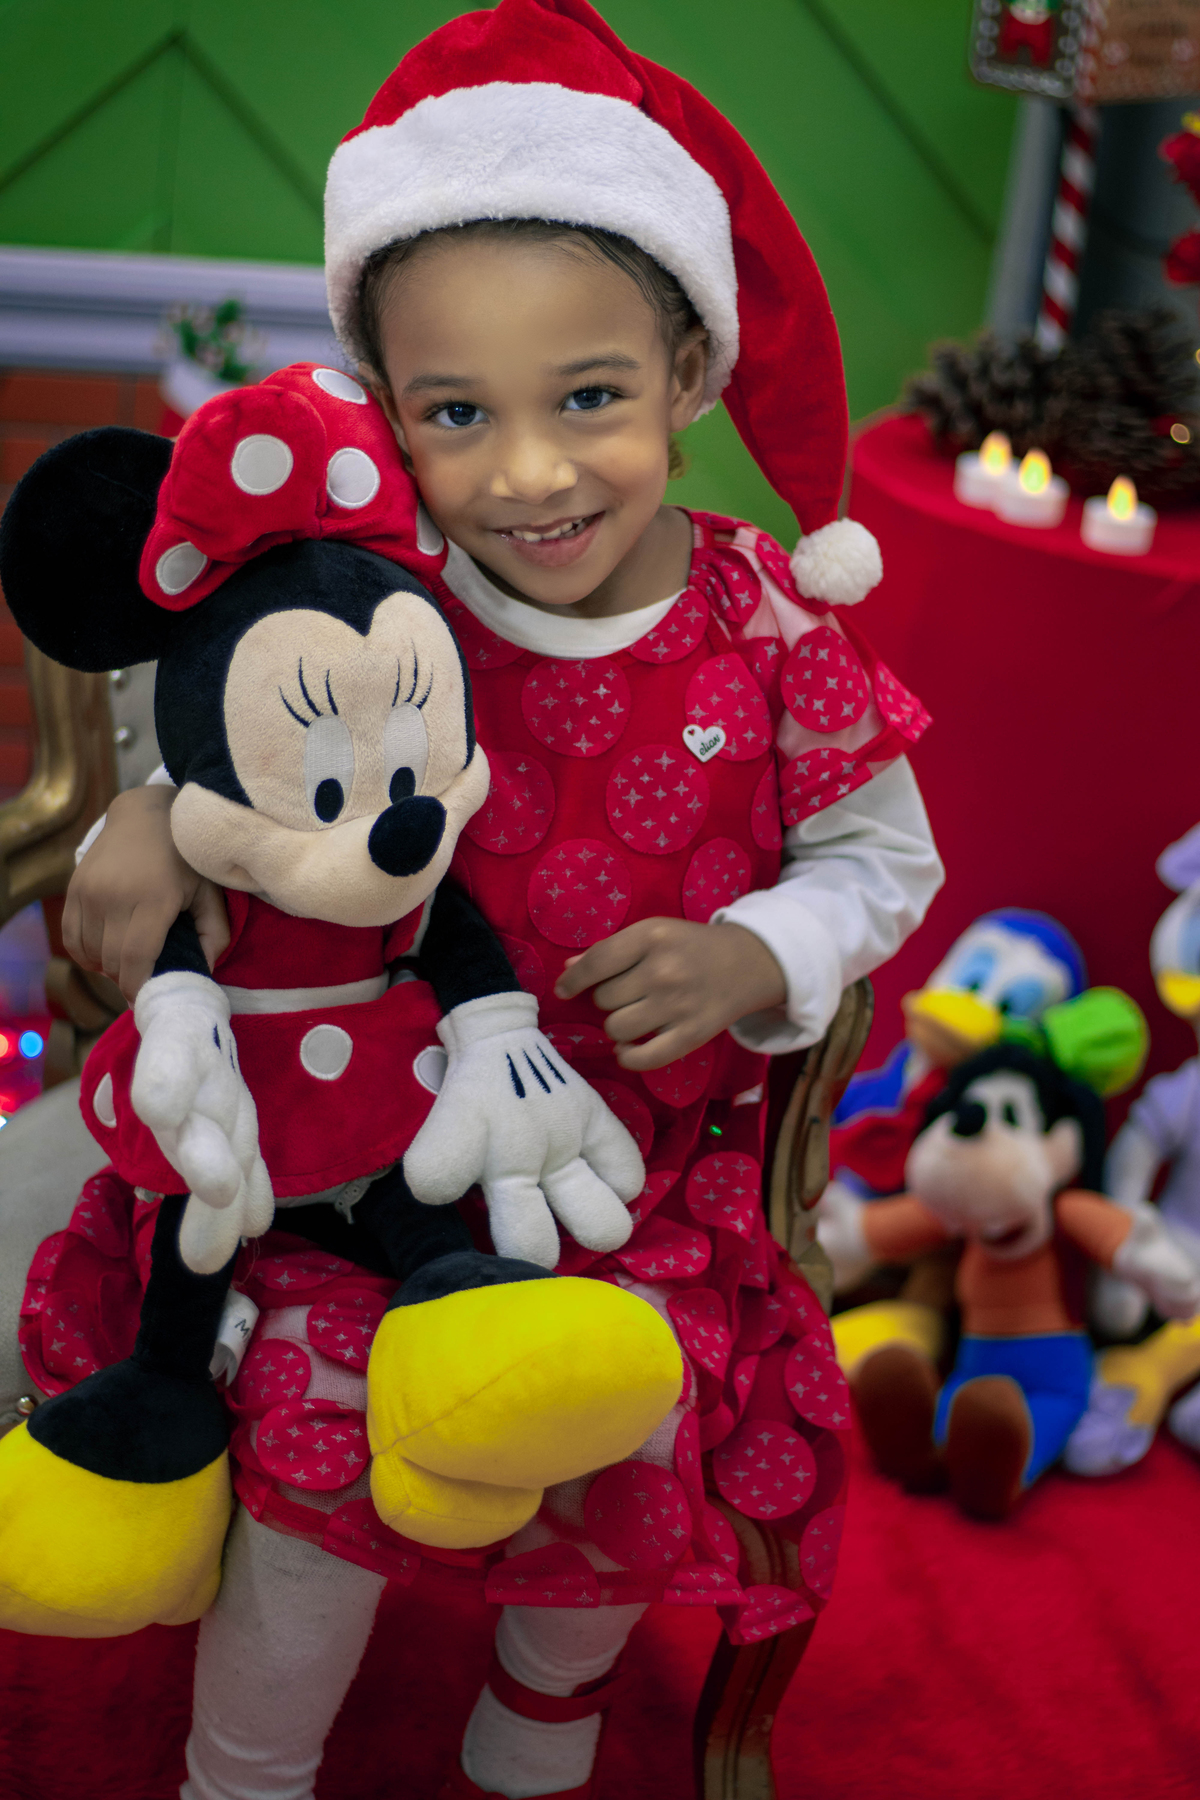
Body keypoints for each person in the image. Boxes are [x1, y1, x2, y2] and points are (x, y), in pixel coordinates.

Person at [48, 3, 943, 1796]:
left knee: (625, 1415)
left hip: (634, 1183)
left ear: (689, 372)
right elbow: (244, 750)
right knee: (317, 1432)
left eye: (588, 396)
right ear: (391, 413)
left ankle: (540, 1711)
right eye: (459, 413)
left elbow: (885, 861)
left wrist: (757, 950)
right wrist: (146, 815)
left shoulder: (768, 626)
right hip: (359, 1169)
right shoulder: (378, 604)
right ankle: (249, 1762)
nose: (528, 473)